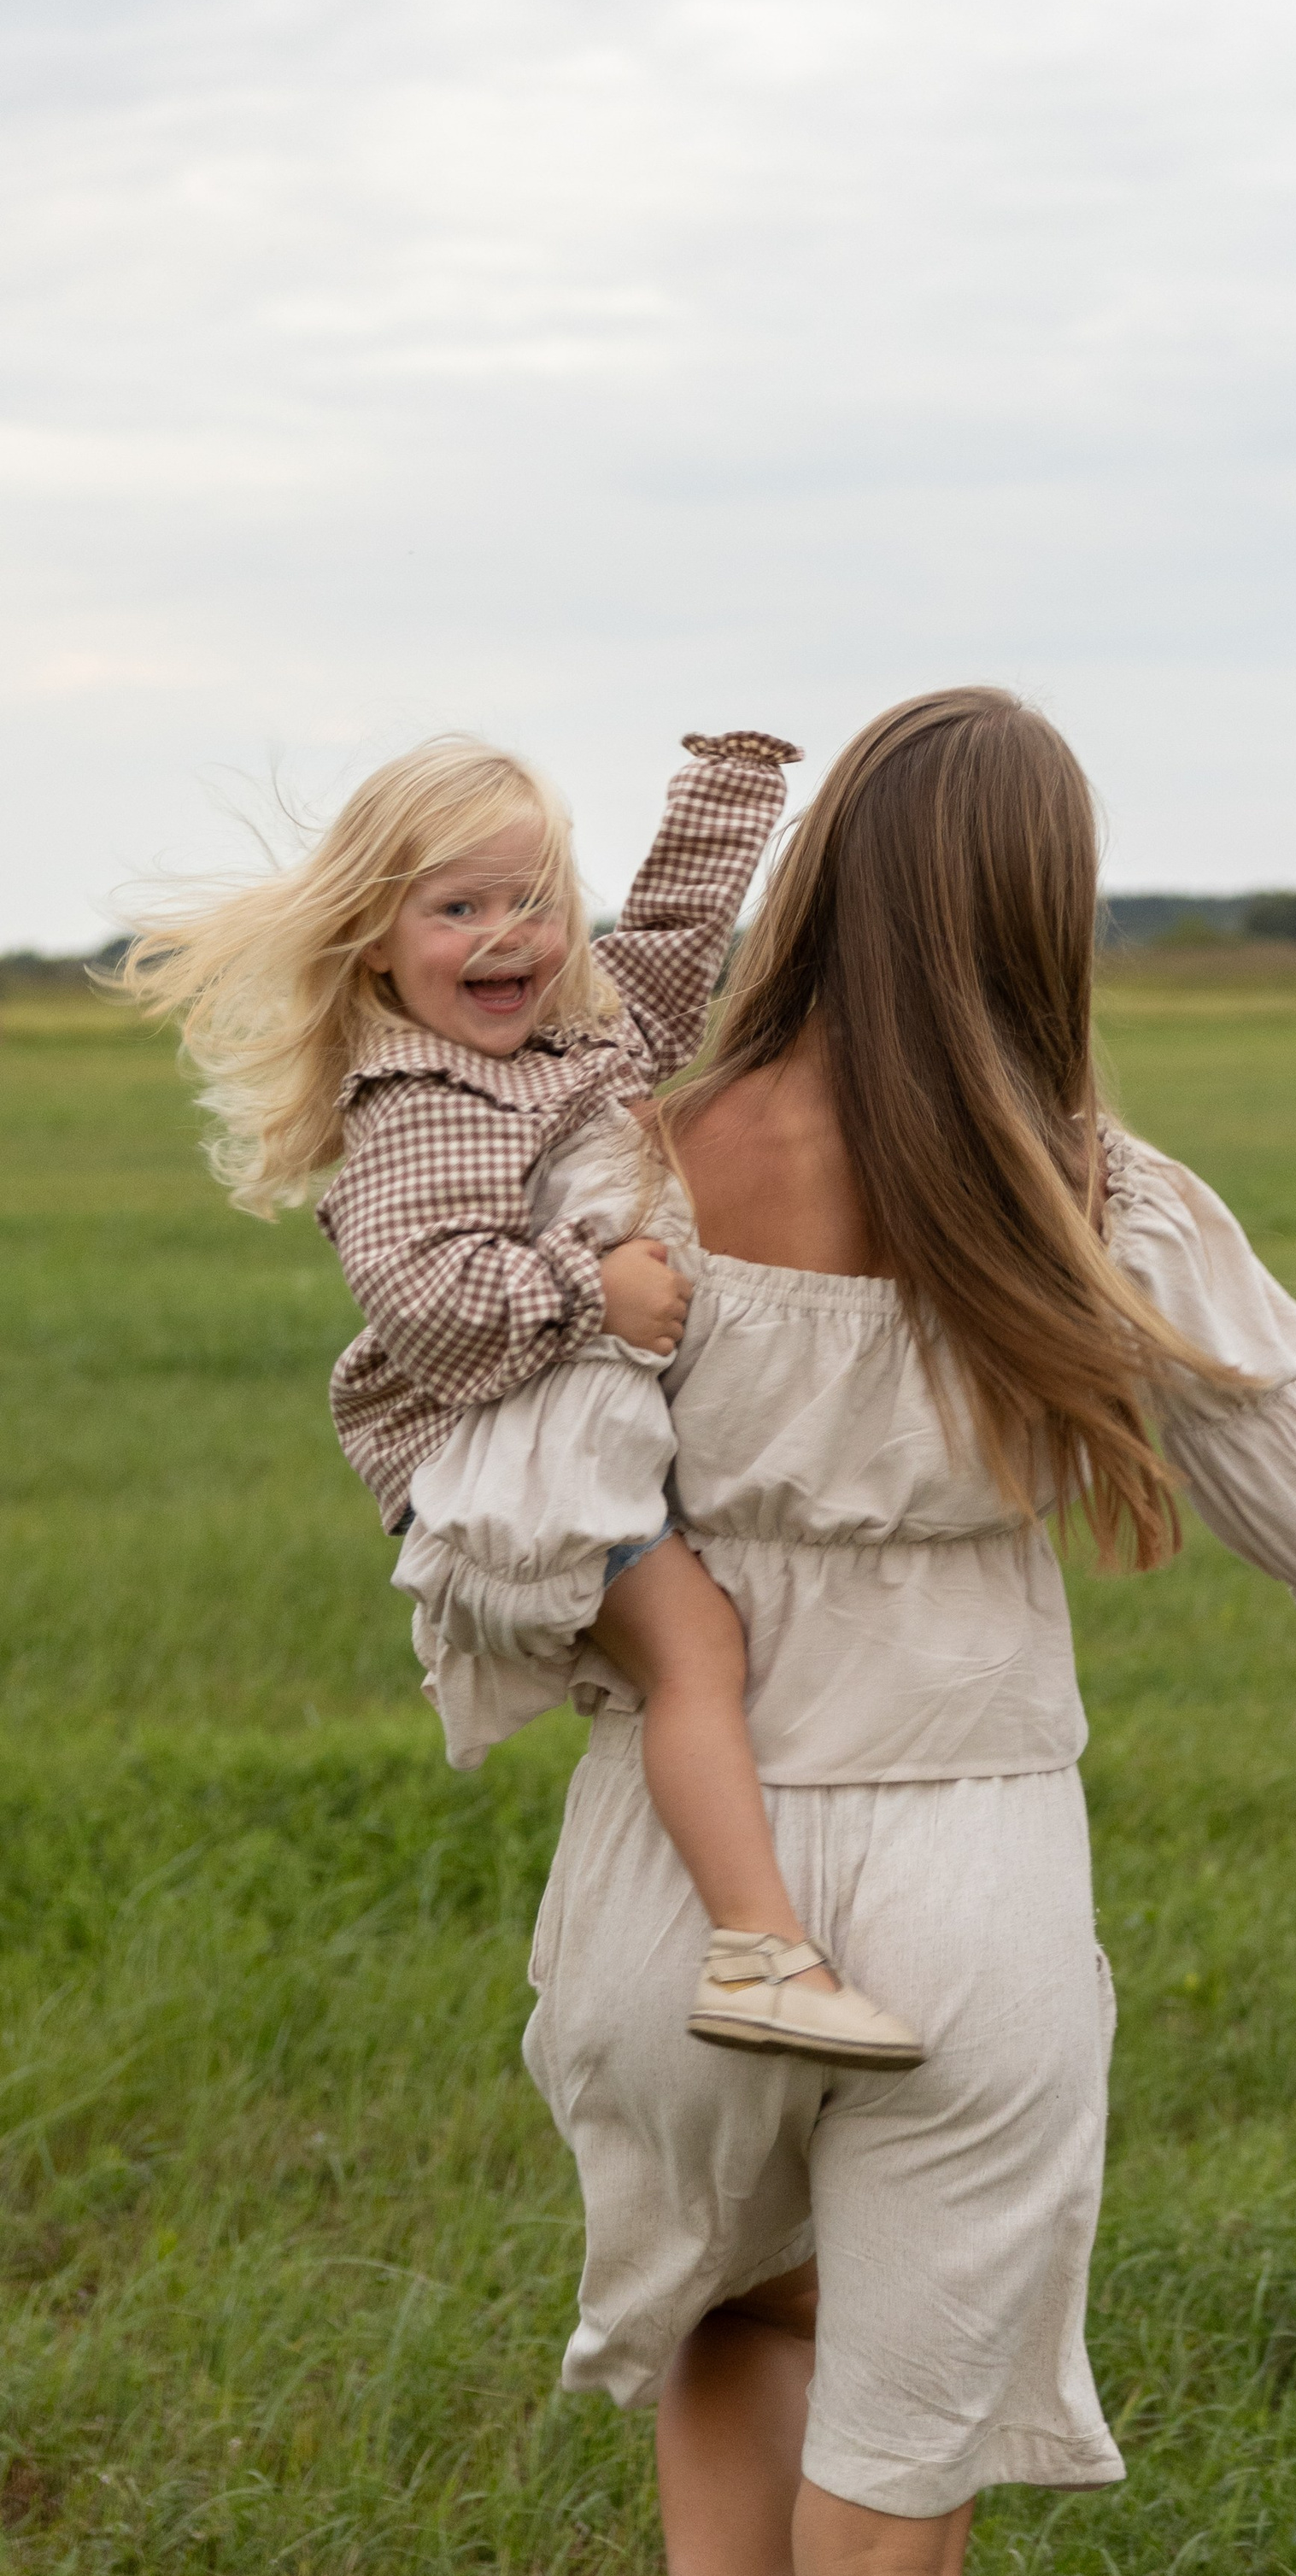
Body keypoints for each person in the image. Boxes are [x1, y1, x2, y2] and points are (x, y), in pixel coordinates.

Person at [513, 686, 1296, 2576]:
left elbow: (480, 1488)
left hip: (678, 1875)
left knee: (732, 2328)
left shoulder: (619, 1160)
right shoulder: (1089, 1193)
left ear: (819, 868)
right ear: (1048, 918)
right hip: (968, 1883)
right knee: (894, 2552)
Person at [118, 729, 920, 2070]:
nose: (510, 935)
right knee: (701, 1653)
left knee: (707, 1654)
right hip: (508, 1458)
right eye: (459, 908)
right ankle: (760, 1951)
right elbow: (424, 1307)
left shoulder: (557, 1052)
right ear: (375, 934)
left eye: (534, 900)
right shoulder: (421, 1101)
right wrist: (591, 1284)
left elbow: (660, 962)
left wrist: (724, 795)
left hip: (573, 1437)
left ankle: (754, 1932)